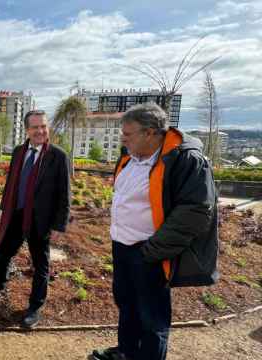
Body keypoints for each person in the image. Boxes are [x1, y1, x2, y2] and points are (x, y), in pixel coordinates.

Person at [91, 103, 219, 360]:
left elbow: (195, 212)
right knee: (127, 305)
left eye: (127, 134)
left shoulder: (184, 159)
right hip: (123, 247)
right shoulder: (130, 155)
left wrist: (152, 251)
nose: (122, 138)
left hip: (151, 252)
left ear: (150, 133)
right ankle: (126, 352)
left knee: (152, 318)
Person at [0, 109, 71, 328]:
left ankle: (35, 308)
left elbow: (65, 193)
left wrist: (59, 224)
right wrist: (3, 208)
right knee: (5, 252)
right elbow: (11, 182)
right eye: (35, 127)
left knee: (41, 265)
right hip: (15, 215)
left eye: (43, 126)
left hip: (41, 220)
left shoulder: (58, 156)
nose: (40, 131)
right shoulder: (19, 151)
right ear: (26, 130)